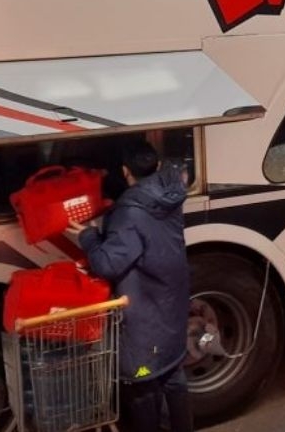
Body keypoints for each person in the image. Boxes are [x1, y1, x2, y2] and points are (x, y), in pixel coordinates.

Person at [65, 141, 193, 432]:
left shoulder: (130, 212)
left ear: (125, 171)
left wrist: (89, 237)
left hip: (144, 320)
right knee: (173, 375)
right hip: (171, 309)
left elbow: (108, 264)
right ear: (157, 165)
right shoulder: (171, 196)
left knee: (142, 383)